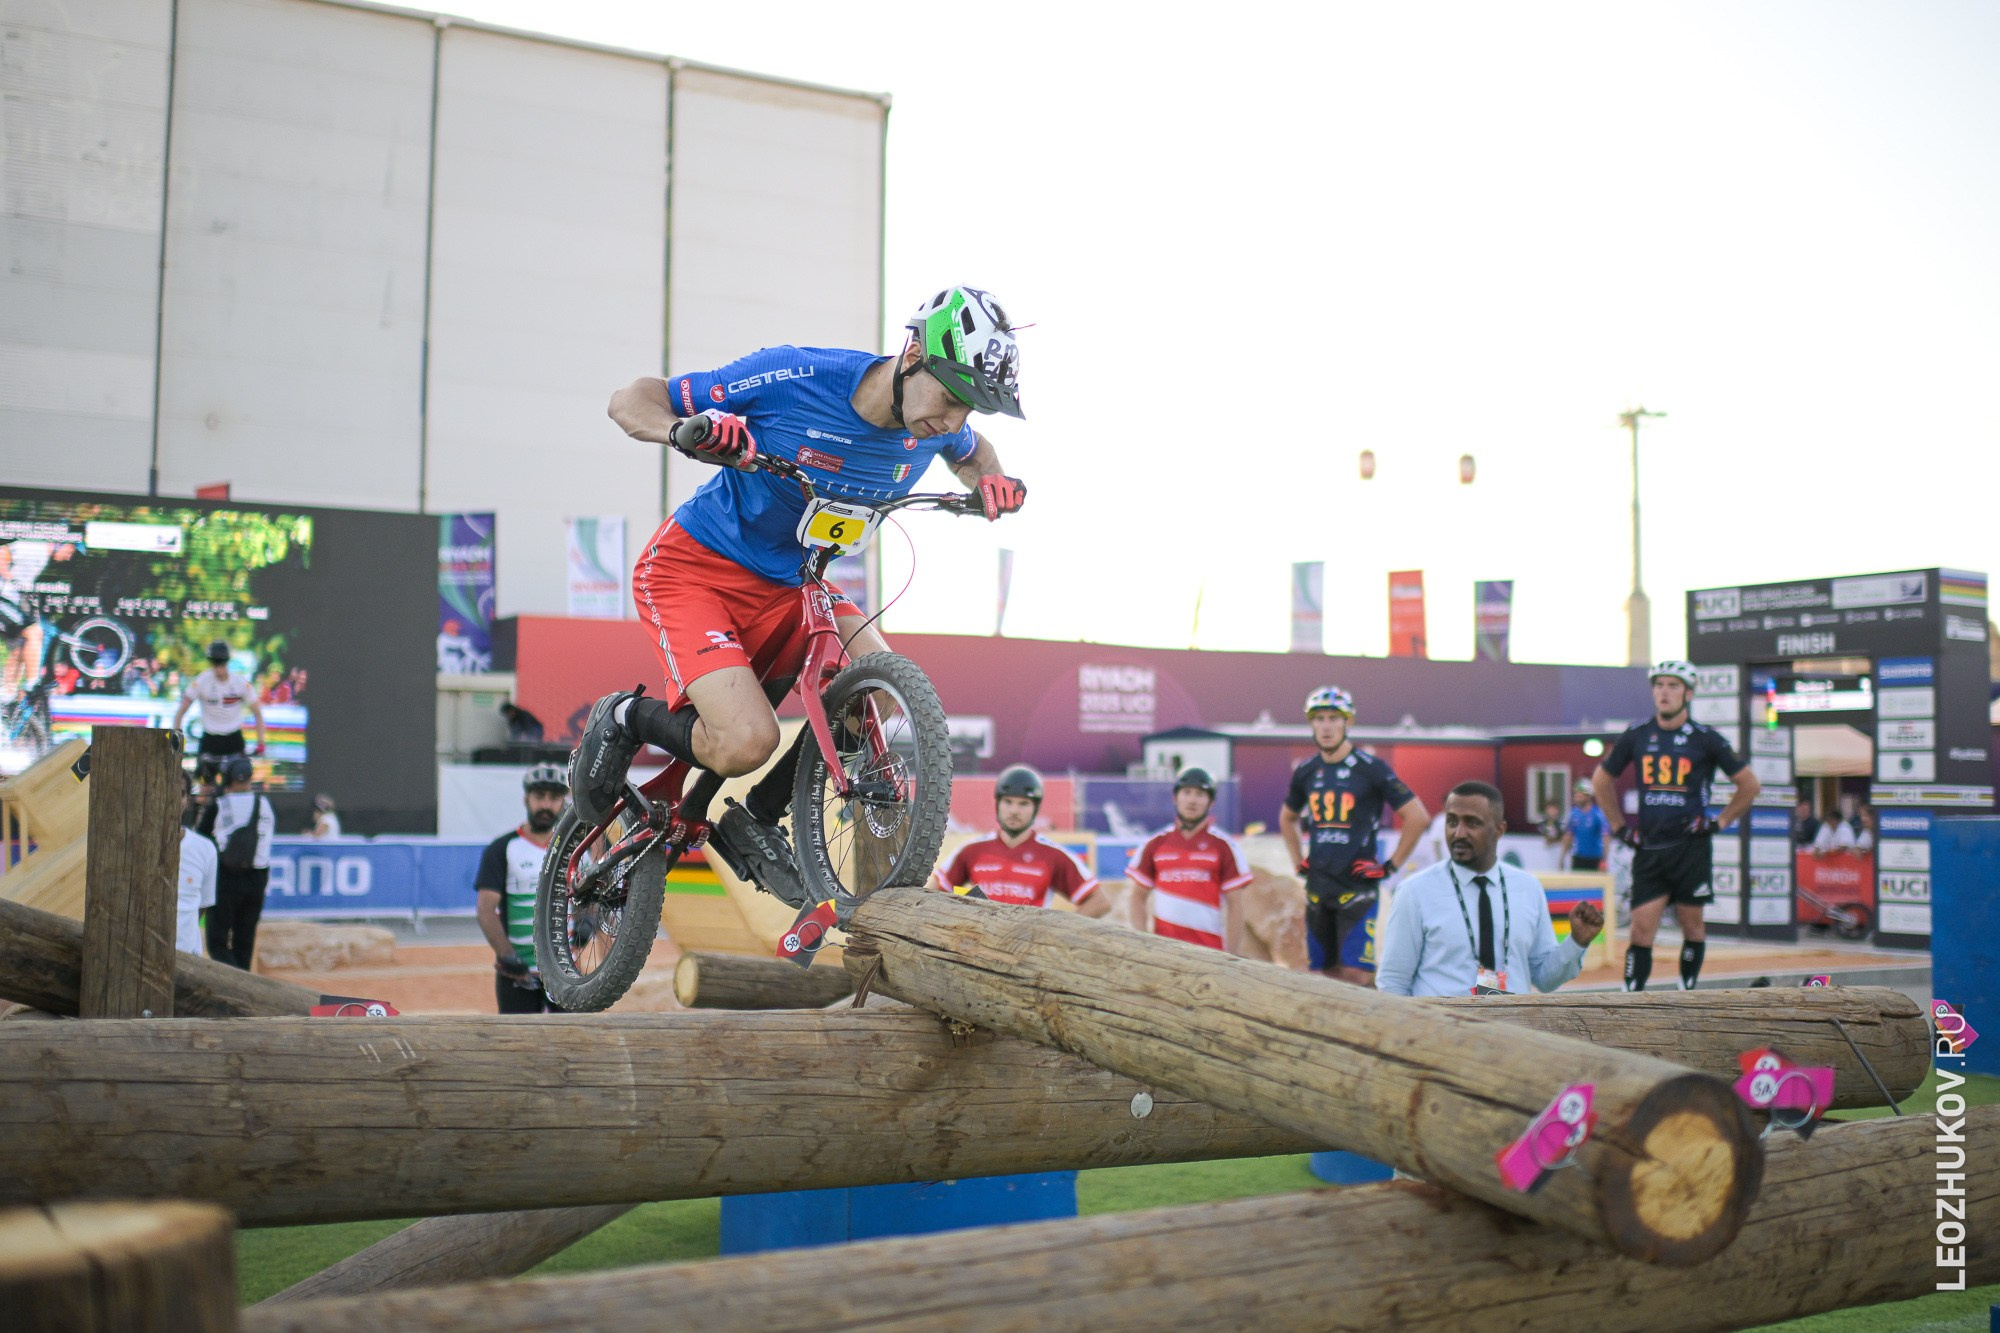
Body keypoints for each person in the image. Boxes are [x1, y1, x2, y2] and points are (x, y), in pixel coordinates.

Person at [575, 286, 1029, 905]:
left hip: (797, 585)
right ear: (913, 351)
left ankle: (757, 817)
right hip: (695, 572)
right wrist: (685, 431)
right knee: (744, 743)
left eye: (969, 409)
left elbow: (975, 455)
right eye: (951, 398)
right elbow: (630, 400)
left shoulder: (937, 427)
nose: (952, 422)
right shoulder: (794, 376)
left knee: (878, 688)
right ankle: (624, 716)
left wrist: (992, 482)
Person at [1591, 660, 1760, 992]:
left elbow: (1750, 785)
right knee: (1641, 929)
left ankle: (1687, 994)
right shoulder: (1636, 734)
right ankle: (1631, 1000)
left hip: (1690, 847)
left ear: (1689, 693)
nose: (1663, 692)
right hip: (1650, 848)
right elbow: (1600, 781)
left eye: (1672, 685)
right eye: (1658, 685)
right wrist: (1619, 827)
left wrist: (1720, 821)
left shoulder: (1706, 738)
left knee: (1692, 927)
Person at [1377, 781, 1603, 996]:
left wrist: (1576, 942)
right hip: (1443, 1031)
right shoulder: (1415, 892)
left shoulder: (1528, 889)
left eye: (1472, 823)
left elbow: (1545, 979)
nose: (1459, 833)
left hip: (1512, 1030)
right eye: (1452, 821)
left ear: (1499, 829)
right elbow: (1393, 982)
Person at [1278, 686, 1431, 985]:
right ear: (1311, 723)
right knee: (1320, 975)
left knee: (1356, 974)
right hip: (1318, 889)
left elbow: (1417, 816)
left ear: (1349, 722)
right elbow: (1287, 817)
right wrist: (1298, 861)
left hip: (1357, 889)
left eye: (1334, 718)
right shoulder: (1307, 770)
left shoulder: (1371, 769)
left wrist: (1390, 866)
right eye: (1319, 718)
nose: (1326, 726)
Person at [933, 764, 1107, 915]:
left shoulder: (1053, 855)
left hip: (1026, 947)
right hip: (980, 945)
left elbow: (1099, 902)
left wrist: (1060, 932)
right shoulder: (971, 850)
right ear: (998, 804)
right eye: (1008, 802)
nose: (1014, 810)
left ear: (1035, 808)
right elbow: (933, 891)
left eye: (1023, 804)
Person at [474, 765, 570, 1014]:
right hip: (517, 975)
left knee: (572, 1044)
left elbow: (597, 897)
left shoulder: (579, 847)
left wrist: (589, 924)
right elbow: (486, 910)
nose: (546, 805)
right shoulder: (502, 848)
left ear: (564, 801)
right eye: (539, 797)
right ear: (526, 799)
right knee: (517, 1047)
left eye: (554, 798)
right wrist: (507, 955)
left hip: (569, 975)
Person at [1126, 767, 1254, 952]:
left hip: (1209, 953)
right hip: (1164, 954)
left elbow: (1236, 905)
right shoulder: (1155, 843)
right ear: (1175, 798)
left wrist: (1232, 957)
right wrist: (1145, 943)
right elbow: (1137, 897)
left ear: (1211, 802)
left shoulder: (1225, 846)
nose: (1192, 800)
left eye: (1200, 794)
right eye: (1186, 792)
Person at [202, 755, 274, 969]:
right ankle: (243, 987)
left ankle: (232, 983)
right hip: (258, 876)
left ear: (228, 777)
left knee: (217, 940)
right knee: (245, 939)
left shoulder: (221, 804)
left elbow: (203, 836)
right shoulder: (265, 804)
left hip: (227, 876)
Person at [172, 641, 266, 785]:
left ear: (227, 662)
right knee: (205, 789)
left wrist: (261, 742)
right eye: (215, 663)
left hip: (234, 739)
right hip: (210, 739)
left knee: (239, 785)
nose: (219, 668)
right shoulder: (201, 681)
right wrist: (177, 742)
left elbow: (257, 713)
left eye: (222, 663)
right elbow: (180, 712)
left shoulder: (240, 682)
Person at [174, 772, 218, 958]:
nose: (173, 799)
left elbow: (202, 905)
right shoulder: (132, 846)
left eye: (181, 793)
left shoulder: (205, 849)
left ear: (187, 800)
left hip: (188, 959)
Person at [1561, 781, 1610, 871]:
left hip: (1595, 858)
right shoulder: (1573, 814)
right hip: (1578, 858)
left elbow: (1605, 837)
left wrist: (1604, 859)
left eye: (1580, 795)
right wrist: (1562, 858)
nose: (1576, 797)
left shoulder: (1598, 814)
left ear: (1588, 796)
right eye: (1576, 795)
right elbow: (1568, 836)